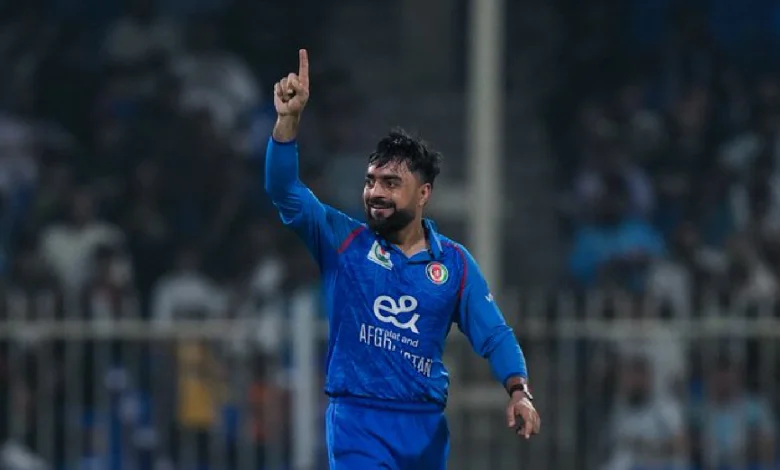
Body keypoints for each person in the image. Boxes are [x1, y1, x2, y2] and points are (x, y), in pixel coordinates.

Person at [265, 49, 540, 469]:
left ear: (423, 193)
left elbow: (495, 334)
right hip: (358, 422)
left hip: (425, 430)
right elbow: (284, 191)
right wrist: (287, 122)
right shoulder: (343, 240)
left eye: (391, 183)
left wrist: (519, 391)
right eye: (371, 181)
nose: (376, 192)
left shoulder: (454, 264)